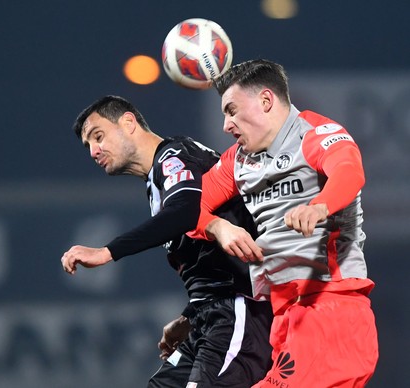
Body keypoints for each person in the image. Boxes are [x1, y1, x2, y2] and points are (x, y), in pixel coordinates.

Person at [61, 95, 273, 387]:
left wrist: (107, 252)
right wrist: (189, 316)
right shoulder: (158, 180)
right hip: (209, 316)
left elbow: (185, 213)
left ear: (128, 122)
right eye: (88, 146)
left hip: (240, 311)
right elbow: (204, 256)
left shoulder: (173, 155)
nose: (94, 151)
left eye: (98, 136)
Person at [190, 59, 379, 387]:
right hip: (281, 314)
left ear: (265, 101)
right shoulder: (238, 160)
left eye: (232, 110)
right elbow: (186, 208)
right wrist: (217, 226)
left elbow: (349, 171)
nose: (226, 124)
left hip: (328, 306)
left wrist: (319, 207)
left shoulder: (316, 134)